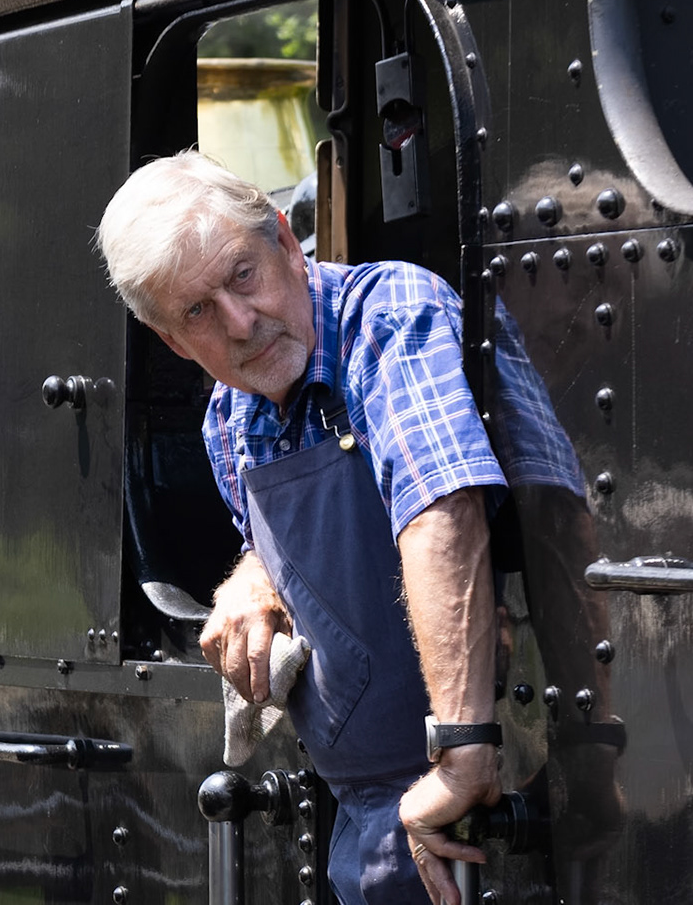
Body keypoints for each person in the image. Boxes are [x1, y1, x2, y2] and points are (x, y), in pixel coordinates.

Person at [95, 152, 584, 905]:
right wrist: (255, 573)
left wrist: (460, 753)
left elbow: (437, 508)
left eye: (242, 275)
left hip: (491, 800)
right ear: (171, 342)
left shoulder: (388, 314)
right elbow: (313, 548)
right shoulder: (230, 419)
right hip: (367, 830)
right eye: (197, 312)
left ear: (288, 245)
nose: (240, 323)